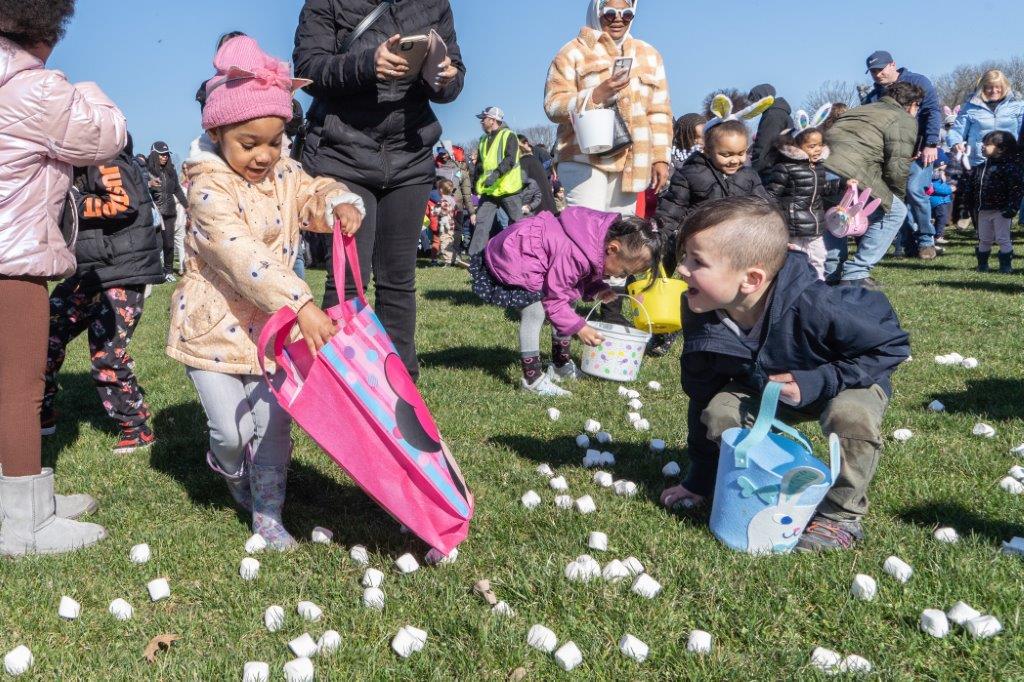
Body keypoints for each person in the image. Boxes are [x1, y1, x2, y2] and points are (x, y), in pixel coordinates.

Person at [166, 36, 366, 549]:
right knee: (232, 434)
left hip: (270, 334)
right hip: (213, 331)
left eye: (274, 141)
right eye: (249, 143)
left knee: (273, 425)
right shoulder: (208, 187)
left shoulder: (284, 172)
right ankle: (230, 470)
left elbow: (310, 191)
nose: (264, 156)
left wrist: (336, 203)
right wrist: (300, 302)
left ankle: (268, 512)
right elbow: (240, 256)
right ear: (216, 132)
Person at [660, 197, 909, 552]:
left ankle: (840, 515)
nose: (682, 269)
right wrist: (698, 479)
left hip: (846, 380)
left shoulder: (817, 306)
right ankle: (751, 482)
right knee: (720, 410)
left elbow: (890, 346)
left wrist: (819, 382)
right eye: (685, 257)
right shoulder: (701, 308)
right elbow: (703, 393)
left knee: (850, 415)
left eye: (697, 261)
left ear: (751, 279)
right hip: (769, 389)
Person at [0, 0, 125, 555]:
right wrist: (91, 90)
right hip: (12, 260)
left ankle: (25, 501)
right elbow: (106, 137)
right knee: (19, 391)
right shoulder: (37, 89)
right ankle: (24, 524)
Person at [293, 0, 463, 382]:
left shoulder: (434, 3)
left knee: (399, 281)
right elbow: (308, 68)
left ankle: (401, 383)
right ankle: (339, 381)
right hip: (345, 155)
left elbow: (454, 77)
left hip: (410, 156)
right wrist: (368, 64)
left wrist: (446, 78)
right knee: (349, 281)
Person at [43, 133, 164, 453]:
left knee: (107, 352)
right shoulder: (79, 166)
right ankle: (41, 411)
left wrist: (73, 201)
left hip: (121, 273)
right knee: (47, 328)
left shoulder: (105, 158)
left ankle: (136, 427)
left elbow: (119, 203)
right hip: (91, 272)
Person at [471, 207, 663, 397]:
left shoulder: (591, 242)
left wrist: (597, 288)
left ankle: (560, 365)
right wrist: (579, 327)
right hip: (515, 256)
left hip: (531, 252)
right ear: (612, 249)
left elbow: (575, 280)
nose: (621, 277)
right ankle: (532, 379)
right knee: (534, 310)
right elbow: (554, 299)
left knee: (569, 299)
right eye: (624, 272)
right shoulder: (574, 253)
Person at [544, 0, 673, 214]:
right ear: (597, 11)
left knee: (619, 235)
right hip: (582, 158)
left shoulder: (650, 55)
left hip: (631, 163)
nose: (618, 19)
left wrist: (660, 157)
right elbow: (553, 104)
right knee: (587, 230)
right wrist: (595, 95)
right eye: (610, 13)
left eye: (627, 14)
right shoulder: (572, 52)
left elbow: (659, 112)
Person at [824, 82, 923, 289]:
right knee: (895, 211)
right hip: (853, 170)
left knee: (836, 215)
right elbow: (897, 164)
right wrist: (895, 195)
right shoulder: (903, 118)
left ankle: (831, 273)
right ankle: (856, 272)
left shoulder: (861, 109)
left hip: (823, 166)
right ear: (913, 104)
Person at [862, 51, 942, 260]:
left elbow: (932, 111)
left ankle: (926, 240)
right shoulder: (874, 96)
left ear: (892, 65)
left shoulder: (918, 82)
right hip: (892, 156)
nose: (877, 74)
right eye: (872, 71)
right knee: (897, 199)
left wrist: (931, 144)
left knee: (915, 190)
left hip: (920, 151)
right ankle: (907, 242)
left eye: (880, 69)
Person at [656, 120, 769, 244]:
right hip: (699, 241)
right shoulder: (689, 174)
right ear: (708, 150)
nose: (735, 160)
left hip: (738, 242)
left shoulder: (749, 176)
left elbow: (764, 207)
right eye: (726, 155)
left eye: (741, 153)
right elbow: (672, 210)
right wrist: (661, 239)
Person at [763, 109, 843, 279]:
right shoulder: (785, 168)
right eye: (812, 146)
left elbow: (823, 189)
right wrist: (775, 217)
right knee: (794, 259)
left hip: (814, 224)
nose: (817, 150)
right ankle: (790, 284)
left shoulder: (818, 168)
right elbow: (772, 194)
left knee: (819, 256)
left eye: (820, 145)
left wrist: (842, 184)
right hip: (794, 226)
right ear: (797, 147)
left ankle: (818, 284)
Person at [961, 131, 1023, 274]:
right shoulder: (981, 168)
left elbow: (1016, 189)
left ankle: (1005, 266)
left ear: (1001, 148)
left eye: (987, 144)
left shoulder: (1010, 167)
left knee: (1002, 238)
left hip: (1001, 210)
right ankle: (982, 264)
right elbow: (971, 188)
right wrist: (966, 206)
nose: (982, 147)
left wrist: (1013, 207)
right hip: (983, 210)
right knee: (984, 238)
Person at [468, 107, 524, 255]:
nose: (481, 121)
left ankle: (521, 255)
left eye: (484, 118)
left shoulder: (509, 135)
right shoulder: (482, 140)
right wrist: (475, 183)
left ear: (493, 120)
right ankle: (475, 258)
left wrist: (496, 175)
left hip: (508, 189)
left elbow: (510, 159)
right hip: (489, 191)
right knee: (481, 224)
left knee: (518, 224)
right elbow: (480, 165)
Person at [946, 70, 1024, 169]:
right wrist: (955, 143)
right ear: (982, 87)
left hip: (1010, 161)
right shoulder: (970, 107)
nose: (994, 90)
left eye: (998, 87)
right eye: (989, 87)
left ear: (1004, 87)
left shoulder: (1017, 105)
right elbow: (957, 131)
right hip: (978, 163)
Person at [147, 141, 188, 282]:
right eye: (161, 154)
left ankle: (168, 271)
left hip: (169, 213)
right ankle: (155, 273)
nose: (164, 157)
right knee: (156, 245)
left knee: (169, 244)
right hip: (153, 214)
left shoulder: (171, 172)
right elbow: (137, 186)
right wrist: (148, 184)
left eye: (166, 154)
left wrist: (187, 206)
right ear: (154, 155)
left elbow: (177, 189)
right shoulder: (146, 171)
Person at [747, 84, 794, 176]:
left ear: (761, 98)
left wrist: (753, 172)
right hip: (779, 167)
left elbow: (764, 145)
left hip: (770, 170)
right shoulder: (780, 113)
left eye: (753, 100)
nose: (752, 105)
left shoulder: (772, 115)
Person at [518, 135, 558, 215]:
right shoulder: (529, 158)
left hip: (543, 179)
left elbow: (549, 161)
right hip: (537, 182)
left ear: (525, 143)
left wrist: (546, 171)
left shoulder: (537, 151)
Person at [928, 165, 954, 245]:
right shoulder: (935, 183)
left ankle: (937, 235)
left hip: (941, 202)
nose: (944, 175)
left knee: (940, 219)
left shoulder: (940, 182)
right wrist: (950, 189)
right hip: (939, 203)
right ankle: (939, 236)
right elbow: (942, 190)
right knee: (941, 219)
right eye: (943, 174)